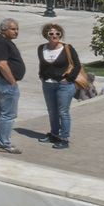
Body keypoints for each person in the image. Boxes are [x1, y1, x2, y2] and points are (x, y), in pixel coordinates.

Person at [37, 22, 85, 150]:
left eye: (57, 33)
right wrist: (41, 75)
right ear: (46, 35)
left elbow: (77, 65)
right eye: (51, 33)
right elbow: (42, 64)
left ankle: (64, 138)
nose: (54, 36)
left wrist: (68, 78)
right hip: (48, 84)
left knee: (63, 112)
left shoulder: (67, 48)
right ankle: (54, 134)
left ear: (61, 35)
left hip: (64, 85)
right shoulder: (41, 48)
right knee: (52, 111)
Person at [0, 18, 25, 154]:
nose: (16, 32)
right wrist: (12, 82)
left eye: (17, 29)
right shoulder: (1, 43)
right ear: (4, 29)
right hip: (4, 82)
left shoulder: (4, 41)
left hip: (2, 81)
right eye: (13, 29)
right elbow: (2, 64)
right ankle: (3, 143)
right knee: (8, 114)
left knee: (0, 111)